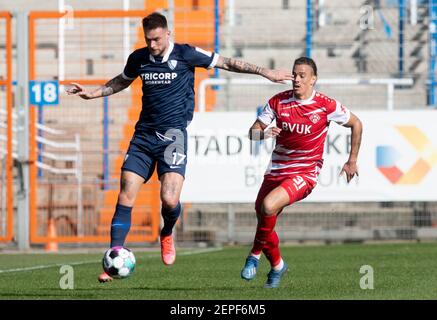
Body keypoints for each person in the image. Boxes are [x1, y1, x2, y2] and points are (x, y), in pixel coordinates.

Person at [66, 12, 292, 283]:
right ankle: (113, 256)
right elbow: (122, 81)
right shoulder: (138, 58)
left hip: (173, 136)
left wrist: (264, 71)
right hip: (143, 136)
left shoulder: (186, 54)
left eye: (157, 39)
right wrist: (92, 93)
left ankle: (167, 231)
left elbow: (226, 62)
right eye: (148, 40)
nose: (152, 45)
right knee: (126, 190)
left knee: (170, 199)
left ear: (168, 33)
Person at [241, 57, 363, 288]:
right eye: (294, 74)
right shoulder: (278, 102)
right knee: (265, 219)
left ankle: (253, 257)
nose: (296, 79)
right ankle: (278, 266)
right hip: (276, 168)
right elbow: (252, 133)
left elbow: (357, 123)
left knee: (268, 206)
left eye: (302, 75)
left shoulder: (326, 105)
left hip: (305, 173)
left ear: (313, 79)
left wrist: (352, 160)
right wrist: (264, 134)